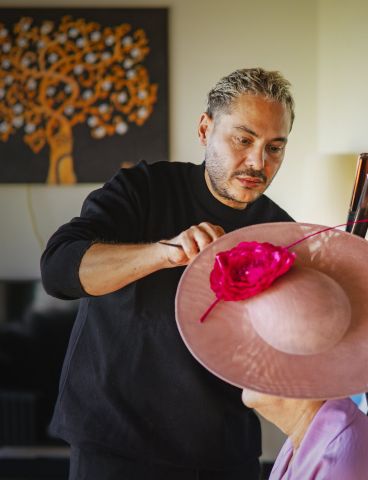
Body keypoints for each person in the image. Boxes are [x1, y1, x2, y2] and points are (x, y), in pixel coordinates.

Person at [40, 68, 296, 479]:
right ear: (204, 129)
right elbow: (58, 271)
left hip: (223, 455)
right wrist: (164, 253)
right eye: (243, 140)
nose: (257, 162)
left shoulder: (282, 233)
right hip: (114, 447)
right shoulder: (141, 188)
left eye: (275, 148)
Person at [173, 221, 368, 480]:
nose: (237, 356)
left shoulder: (340, 462)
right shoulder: (308, 438)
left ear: (299, 369)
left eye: (253, 344)